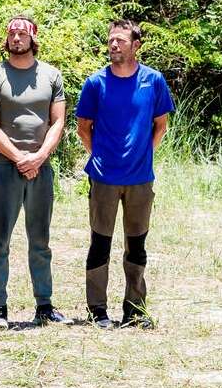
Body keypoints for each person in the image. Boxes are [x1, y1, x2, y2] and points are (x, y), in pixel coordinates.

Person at [75, 19, 175, 328]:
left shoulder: (153, 81)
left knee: (137, 245)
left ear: (136, 46)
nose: (114, 45)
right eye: (111, 40)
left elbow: (161, 124)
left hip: (140, 179)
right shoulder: (95, 83)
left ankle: (134, 310)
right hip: (103, 177)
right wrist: (102, 157)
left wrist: (144, 155)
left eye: (120, 40)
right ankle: (98, 310)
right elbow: (83, 128)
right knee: (100, 244)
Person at [0, 15, 67, 328]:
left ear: (32, 37)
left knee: (40, 240)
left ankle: (44, 305)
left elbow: (58, 122)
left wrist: (39, 157)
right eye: (12, 33)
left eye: (22, 33)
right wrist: (19, 158)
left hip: (41, 168)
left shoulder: (51, 75)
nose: (16, 38)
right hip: (5, 166)